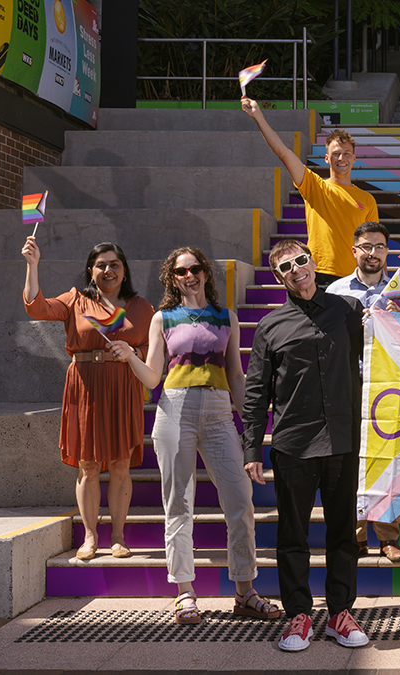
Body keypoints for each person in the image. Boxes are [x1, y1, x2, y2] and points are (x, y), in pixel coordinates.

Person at [107, 247, 281, 625]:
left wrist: (251, 422)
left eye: (196, 268)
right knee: (178, 505)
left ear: (206, 273)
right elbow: (153, 377)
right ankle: (185, 593)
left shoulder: (227, 317)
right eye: (181, 271)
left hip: (220, 412)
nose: (190, 275)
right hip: (174, 410)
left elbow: (236, 374)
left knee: (240, 501)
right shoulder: (163, 318)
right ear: (172, 278)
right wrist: (130, 357)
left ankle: (245, 591)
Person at [242, 240, 368, 652]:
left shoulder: (348, 311)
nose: (297, 270)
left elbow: (384, 351)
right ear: (278, 278)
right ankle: (298, 614)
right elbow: (256, 392)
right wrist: (250, 451)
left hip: (343, 441)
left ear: (313, 262)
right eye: (285, 267)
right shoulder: (270, 326)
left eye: (301, 261)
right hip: (294, 443)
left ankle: (339, 614)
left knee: (343, 534)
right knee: (292, 536)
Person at [22, 238, 154, 561]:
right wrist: (33, 265)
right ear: (91, 271)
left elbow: (152, 354)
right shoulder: (76, 301)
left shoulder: (141, 307)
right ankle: (91, 536)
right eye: (101, 265)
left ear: (124, 271)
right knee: (88, 465)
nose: (108, 270)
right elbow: (36, 307)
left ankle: (119, 538)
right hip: (85, 388)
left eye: (114, 265)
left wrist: (134, 352)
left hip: (123, 387)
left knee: (121, 464)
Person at [324, 221, 400, 563]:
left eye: (379, 247)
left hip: (393, 386)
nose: (373, 253)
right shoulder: (335, 291)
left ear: (387, 251)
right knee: (352, 462)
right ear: (354, 250)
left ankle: (388, 538)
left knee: (389, 461)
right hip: (350, 382)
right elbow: (325, 339)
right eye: (366, 247)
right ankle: (355, 535)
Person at [242, 97, 379, 289]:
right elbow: (283, 152)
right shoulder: (314, 185)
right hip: (319, 275)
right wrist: (258, 116)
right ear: (326, 158)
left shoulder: (367, 199)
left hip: (355, 279)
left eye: (347, 153)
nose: (341, 158)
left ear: (354, 158)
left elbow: (375, 245)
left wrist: (382, 283)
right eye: (335, 154)